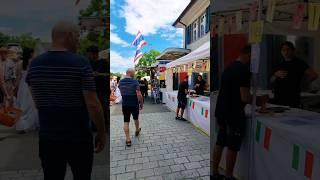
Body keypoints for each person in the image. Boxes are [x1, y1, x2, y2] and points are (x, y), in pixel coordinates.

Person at [26, 21, 106, 180]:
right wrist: (102, 132)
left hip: (48, 138)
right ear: (69, 36)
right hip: (78, 138)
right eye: (77, 36)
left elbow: (37, 103)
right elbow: (93, 104)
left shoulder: (34, 65)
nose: (79, 40)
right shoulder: (81, 63)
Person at [213, 46, 253, 180]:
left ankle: (215, 173)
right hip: (233, 114)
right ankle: (229, 176)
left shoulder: (229, 68)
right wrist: (259, 100)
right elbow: (245, 97)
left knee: (220, 142)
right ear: (249, 55)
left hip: (221, 111)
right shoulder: (243, 70)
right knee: (232, 146)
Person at [271, 41, 318, 108]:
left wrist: (304, 85)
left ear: (293, 50)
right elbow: (271, 80)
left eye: (288, 50)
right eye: (283, 50)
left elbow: (314, 75)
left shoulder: (299, 63)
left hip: (292, 97)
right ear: (281, 52)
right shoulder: (279, 64)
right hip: (278, 96)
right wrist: (275, 75)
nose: (286, 52)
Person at [15, 48, 39, 134]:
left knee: (22, 105)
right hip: (30, 84)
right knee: (31, 105)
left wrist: (16, 87)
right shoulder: (33, 62)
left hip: (22, 86)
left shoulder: (19, 64)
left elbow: (18, 77)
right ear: (30, 54)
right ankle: (30, 124)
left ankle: (21, 125)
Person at [118, 68, 143, 147]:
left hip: (125, 104)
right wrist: (141, 103)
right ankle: (137, 130)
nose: (134, 74)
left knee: (126, 121)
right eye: (134, 73)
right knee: (136, 118)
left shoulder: (120, 82)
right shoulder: (135, 81)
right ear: (131, 73)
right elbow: (139, 94)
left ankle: (128, 140)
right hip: (134, 104)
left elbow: (119, 89)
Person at [87, 46, 109, 131]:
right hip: (91, 89)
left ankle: (104, 126)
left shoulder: (103, 62)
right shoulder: (88, 63)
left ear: (95, 54)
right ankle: (94, 126)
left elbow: (107, 74)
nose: (88, 56)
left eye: (89, 54)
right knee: (92, 108)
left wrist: (98, 74)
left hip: (102, 89)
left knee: (102, 108)